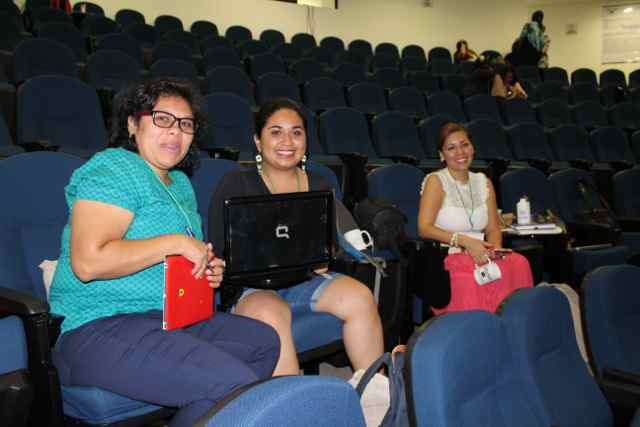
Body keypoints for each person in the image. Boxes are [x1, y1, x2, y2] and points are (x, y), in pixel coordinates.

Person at [48, 78, 280, 427]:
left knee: (264, 342)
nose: (175, 132)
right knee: (235, 383)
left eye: (186, 124)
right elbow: (88, 262)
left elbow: (179, 259)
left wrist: (207, 269)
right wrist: (175, 243)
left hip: (171, 318)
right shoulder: (114, 168)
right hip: (98, 326)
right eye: (162, 119)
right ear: (132, 124)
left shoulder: (181, 184)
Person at [208, 98, 384, 376]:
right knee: (273, 314)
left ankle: (373, 395)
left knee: (361, 297)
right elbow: (216, 250)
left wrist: (325, 254)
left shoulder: (320, 183)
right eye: (275, 132)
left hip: (305, 279)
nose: (287, 141)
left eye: (296, 132)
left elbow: (330, 246)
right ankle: (293, 408)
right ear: (257, 140)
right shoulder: (235, 183)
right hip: (251, 288)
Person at [417, 122, 533, 313]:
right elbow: (424, 228)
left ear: (472, 147)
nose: (460, 152)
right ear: (441, 155)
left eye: (464, 144)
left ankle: (513, 329)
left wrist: (492, 251)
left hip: (482, 252)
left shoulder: (483, 181)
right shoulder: (436, 181)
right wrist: (466, 242)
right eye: (451, 148)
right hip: (449, 254)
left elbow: (493, 229)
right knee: (471, 278)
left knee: (520, 263)